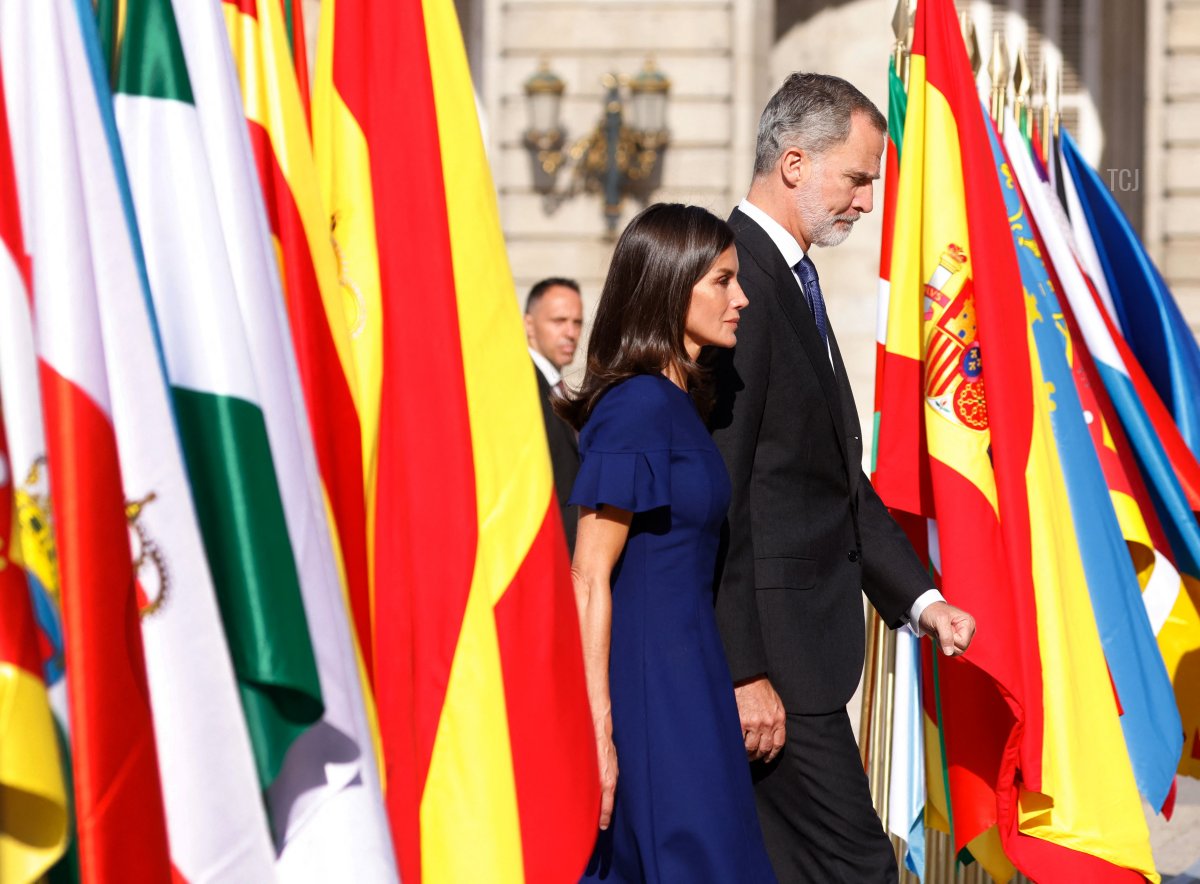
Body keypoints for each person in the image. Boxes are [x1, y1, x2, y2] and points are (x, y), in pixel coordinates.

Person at [709, 73, 977, 882]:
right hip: (774, 670)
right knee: (860, 867)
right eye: (858, 176)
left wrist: (920, 599)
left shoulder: (791, 274)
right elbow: (723, 493)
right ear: (794, 163)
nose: (867, 200)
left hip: (801, 659)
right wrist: (743, 668)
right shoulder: (737, 282)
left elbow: (832, 478)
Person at [559, 203, 775, 883]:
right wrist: (596, 728)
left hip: (693, 680)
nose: (739, 297)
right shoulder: (640, 405)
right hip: (651, 691)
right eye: (721, 280)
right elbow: (589, 575)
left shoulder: (678, 401)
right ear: (667, 283)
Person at [525, 277, 584, 553]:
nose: (570, 332)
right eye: (559, 321)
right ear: (529, 324)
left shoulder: (556, 389)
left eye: (577, 322)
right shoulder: (522, 387)